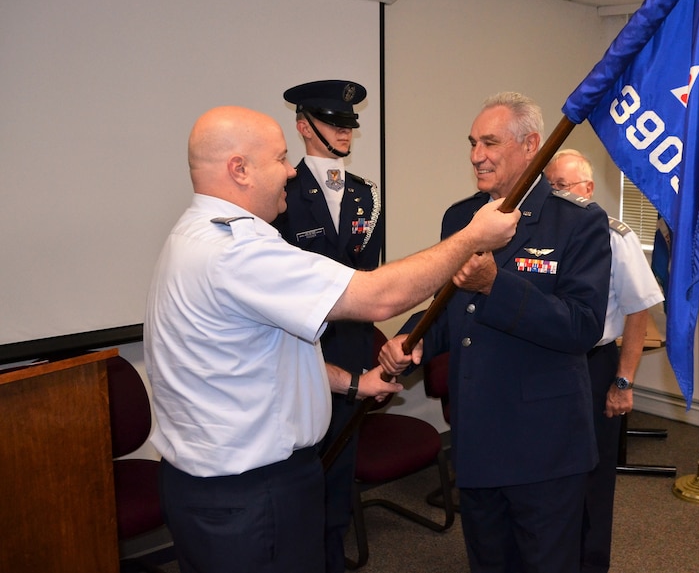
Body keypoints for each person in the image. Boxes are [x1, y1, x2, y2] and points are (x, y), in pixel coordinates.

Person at [143, 105, 520, 573]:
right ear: (239, 169)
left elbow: (262, 357)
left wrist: (352, 384)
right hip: (251, 494)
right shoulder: (235, 251)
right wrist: (471, 238)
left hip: (221, 487)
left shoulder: (195, 235)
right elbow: (378, 298)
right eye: (280, 158)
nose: (289, 171)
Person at [378, 92, 612, 573]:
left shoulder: (579, 224)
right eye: (471, 143)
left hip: (543, 448)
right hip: (477, 435)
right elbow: (450, 307)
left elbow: (581, 327)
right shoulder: (461, 217)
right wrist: (416, 337)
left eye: (489, 142)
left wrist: (496, 286)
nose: (475, 155)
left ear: (530, 145)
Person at [272, 79, 384, 573]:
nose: (344, 132)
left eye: (348, 125)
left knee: (339, 470)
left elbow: (366, 281)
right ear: (304, 126)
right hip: (299, 350)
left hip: (353, 350)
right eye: (334, 123)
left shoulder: (366, 196)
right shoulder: (281, 195)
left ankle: (333, 558)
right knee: (299, 474)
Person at [544, 149, 664, 573]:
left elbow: (638, 309)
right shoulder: (538, 230)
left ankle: (590, 562)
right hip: (545, 365)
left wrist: (623, 381)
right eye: (549, 186)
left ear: (588, 190)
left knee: (594, 476)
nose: (553, 194)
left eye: (562, 186)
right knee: (547, 472)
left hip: (593, 366)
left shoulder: (615, 236)